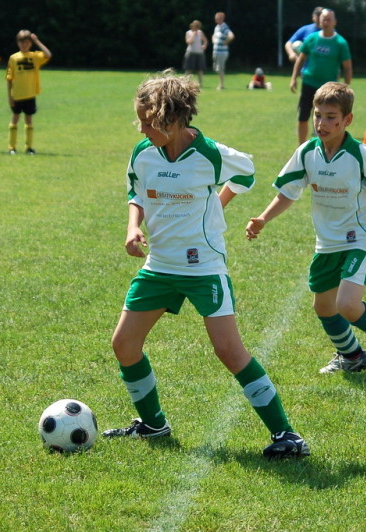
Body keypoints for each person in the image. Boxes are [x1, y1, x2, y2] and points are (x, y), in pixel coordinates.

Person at [104, 70, 309, 460]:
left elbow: (246, 171)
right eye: (139, 121)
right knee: (124, 345)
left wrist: (218, 202)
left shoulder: (209, 154)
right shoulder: (143, 153)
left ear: (172, 120)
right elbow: (136, 192)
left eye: (148, 122)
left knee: (229, 351)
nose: (142, 129)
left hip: (203, 268)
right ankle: (153, 424)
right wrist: (133, 228)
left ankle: (287, 435)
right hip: (159, 266)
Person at [246, 82, 366, 378]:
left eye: (331, 117)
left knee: (347, 304)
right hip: (327, 242)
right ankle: (351, 355)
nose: (322, 124)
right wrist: (263, 218)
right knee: (323, 307)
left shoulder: (359, 154)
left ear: (347, 120)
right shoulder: (307, 152)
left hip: (359, 238)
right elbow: (287, 192)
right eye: (318, 115)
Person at [290, 8, 351, 145]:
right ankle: (302, 148)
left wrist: (346, 87)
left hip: (328, 88)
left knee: (328, 118)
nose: (326, 22)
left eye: (329, 19)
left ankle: (325, 146)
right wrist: (293, 78)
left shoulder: (340, 43)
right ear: (319, 21)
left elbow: (347, 67)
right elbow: (301, 59)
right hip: (309, 82)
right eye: (323, 19)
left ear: (335, 22)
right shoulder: (312, 38)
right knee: (303, 116)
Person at [6, 30, 52, 155]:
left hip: (30, 94)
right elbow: (9, 79)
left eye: (26, 42)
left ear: (30, 43)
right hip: (17, 95)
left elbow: (48, 54)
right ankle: (12, 147)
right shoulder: (13, 58)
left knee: (29, 120)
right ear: (18, 43)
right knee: (15, 119)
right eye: (21, 42)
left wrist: (37, 41)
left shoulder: (35, 57)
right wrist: (10, 96)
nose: (24, 45)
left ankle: (29, 147)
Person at [211, 12, 234, 90]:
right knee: (216, 68)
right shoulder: (217, 27)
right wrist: (214, 41)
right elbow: (214, 35)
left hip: (222, 52)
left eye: (217, 18)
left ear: (221, 19)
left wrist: (226, 42)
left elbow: (231, 35)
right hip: (216, 51)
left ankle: (221, 85)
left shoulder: (224, 27)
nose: (215, 19)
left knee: (220, 68)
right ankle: (221, 84)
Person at [183, 20, 207, 89]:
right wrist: (194, 34)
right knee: (189, 69)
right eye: (196, 26)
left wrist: (204, 45)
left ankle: (200, 84)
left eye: (198, 27)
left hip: (199, 53)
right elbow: (189, 42)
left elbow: (205, 40)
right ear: (192, 26)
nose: (197, 28)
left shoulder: (200, 32)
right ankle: (185, 83)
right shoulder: (188, 32)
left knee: (200, 69)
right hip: (191, 52)